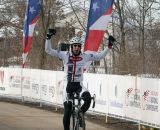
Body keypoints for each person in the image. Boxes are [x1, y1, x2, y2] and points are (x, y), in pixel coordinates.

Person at [45, 29, 115, 130]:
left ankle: (80, 113)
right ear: (71, 47)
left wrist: (109, 46)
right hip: (67, 86)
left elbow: (100, 56)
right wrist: (48, 37)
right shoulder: (65, 55)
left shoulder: (85, 56)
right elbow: (48, 50)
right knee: (68, 111)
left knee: (87, 99)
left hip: (79, 85)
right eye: (75, 45)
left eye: (78, 45)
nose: (77, 47)